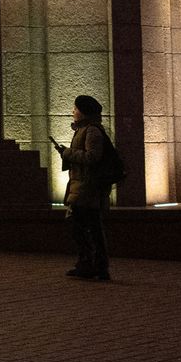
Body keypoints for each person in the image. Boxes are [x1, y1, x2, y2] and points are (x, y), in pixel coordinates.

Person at [54, 94, 117, 281]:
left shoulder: (91, 131)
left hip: (87, 187)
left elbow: (92, 157)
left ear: (83, 111)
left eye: (75, 109)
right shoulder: (84, 130)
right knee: (86, 226)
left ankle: (93, 264)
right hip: (81, 186)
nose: (73, 112)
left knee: (85, 227)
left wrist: (67, 153)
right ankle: (91, 264)